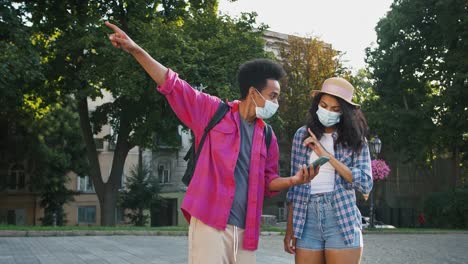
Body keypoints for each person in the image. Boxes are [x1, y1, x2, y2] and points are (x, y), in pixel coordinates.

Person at [105, 22, 320, 264]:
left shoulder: (267, 136)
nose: (276, 103)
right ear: (253, 92)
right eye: (273, 96)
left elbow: (268, 182)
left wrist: (295, 180)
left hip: (246, 229)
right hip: (210, 222)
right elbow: (172, 84)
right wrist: (135, 49)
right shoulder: (212, 111)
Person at [283, 77, 373, 264]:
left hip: (341, 216)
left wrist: (325, 154)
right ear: (317, 105)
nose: (328, 112)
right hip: (307, 218)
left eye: (335, 109)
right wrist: (290, 229)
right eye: (324, 105)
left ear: (344, 113)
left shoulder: (355, 140)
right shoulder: (302, 135)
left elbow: (365, 183)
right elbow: (295, 188)